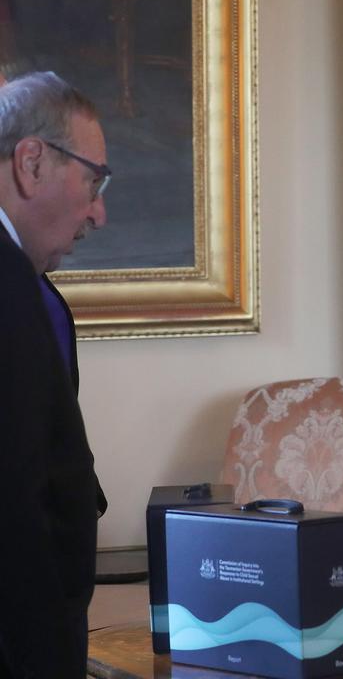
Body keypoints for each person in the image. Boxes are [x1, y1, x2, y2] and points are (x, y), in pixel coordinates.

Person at [0, 71, 110, 678]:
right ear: (32, 162)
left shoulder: (28, 286)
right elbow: (15, 502)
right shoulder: (10, 291)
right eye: (93, 181)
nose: (99, 211)